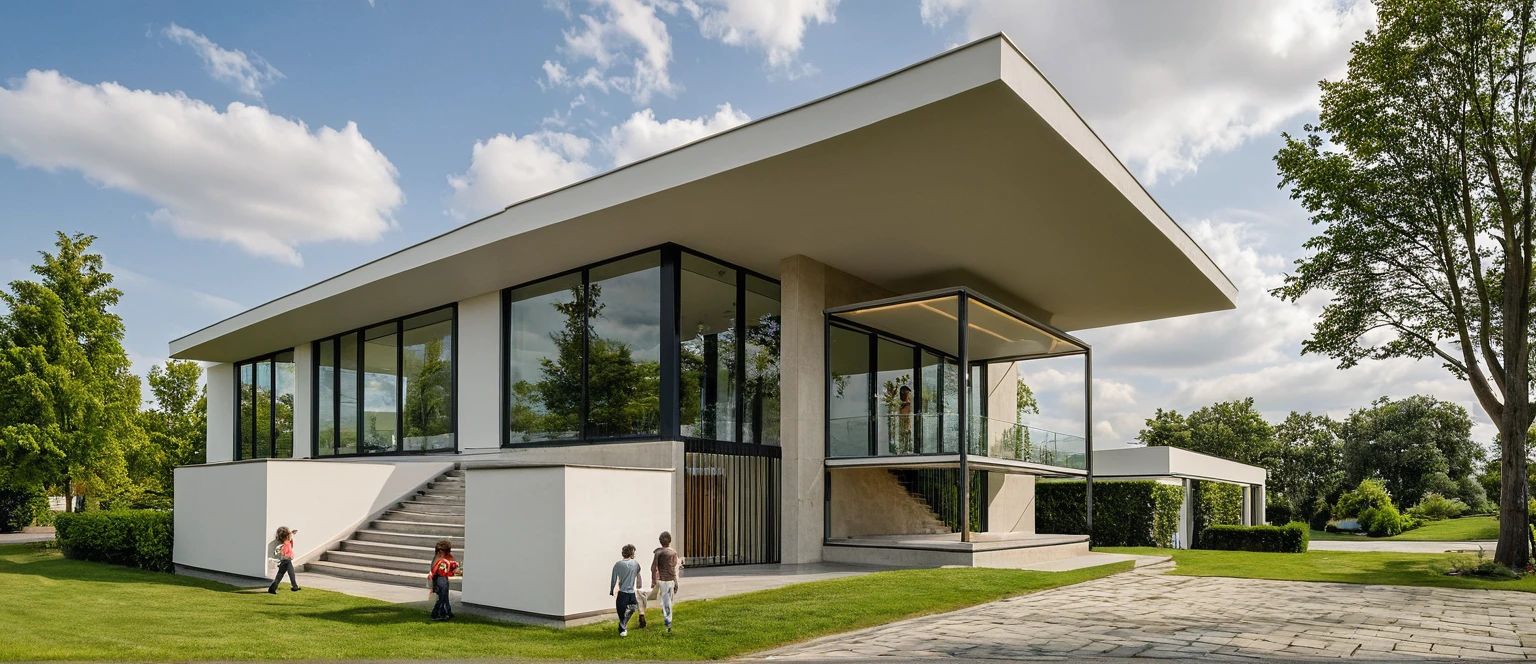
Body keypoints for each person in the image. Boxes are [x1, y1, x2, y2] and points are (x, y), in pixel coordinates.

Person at [650, 531, 681, 634]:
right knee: (668, 601)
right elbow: (673, 569)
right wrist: (676, 581)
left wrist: (653, 580)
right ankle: (668, 621)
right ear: (670, 541)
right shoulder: (673, 553)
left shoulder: (658, 552)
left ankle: (667, 620)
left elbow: (653, 567)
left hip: (662, 580)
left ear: (660, 541)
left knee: (666, 601)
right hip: (670, 580)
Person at [609, 544, 642, 637]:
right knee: (633, 608)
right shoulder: (635, 564)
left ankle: (622, 627)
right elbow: (638, 575)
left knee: (622, 611)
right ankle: (622, 627)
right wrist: (639, 584)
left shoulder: (618, 564)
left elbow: (613, 579)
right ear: (632, 553)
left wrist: (611, 590)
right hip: (630, 592)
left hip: (622, 592)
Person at [428, 539, 461, 621]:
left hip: (442, 579)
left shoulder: (442, 559)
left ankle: (446, 612)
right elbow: (441, 571)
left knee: (444, 597)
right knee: (441, 598)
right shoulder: (441, 560)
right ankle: (436, 614)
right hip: (440, 579)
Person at [268, 527, 300, 594]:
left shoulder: (288, 543)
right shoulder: (284, 545)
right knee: (291, 573)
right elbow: (283, 554)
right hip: (286, 561)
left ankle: (272, 588)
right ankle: (295, 586)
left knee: (280, 575)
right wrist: (290, 556)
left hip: (286, 561)